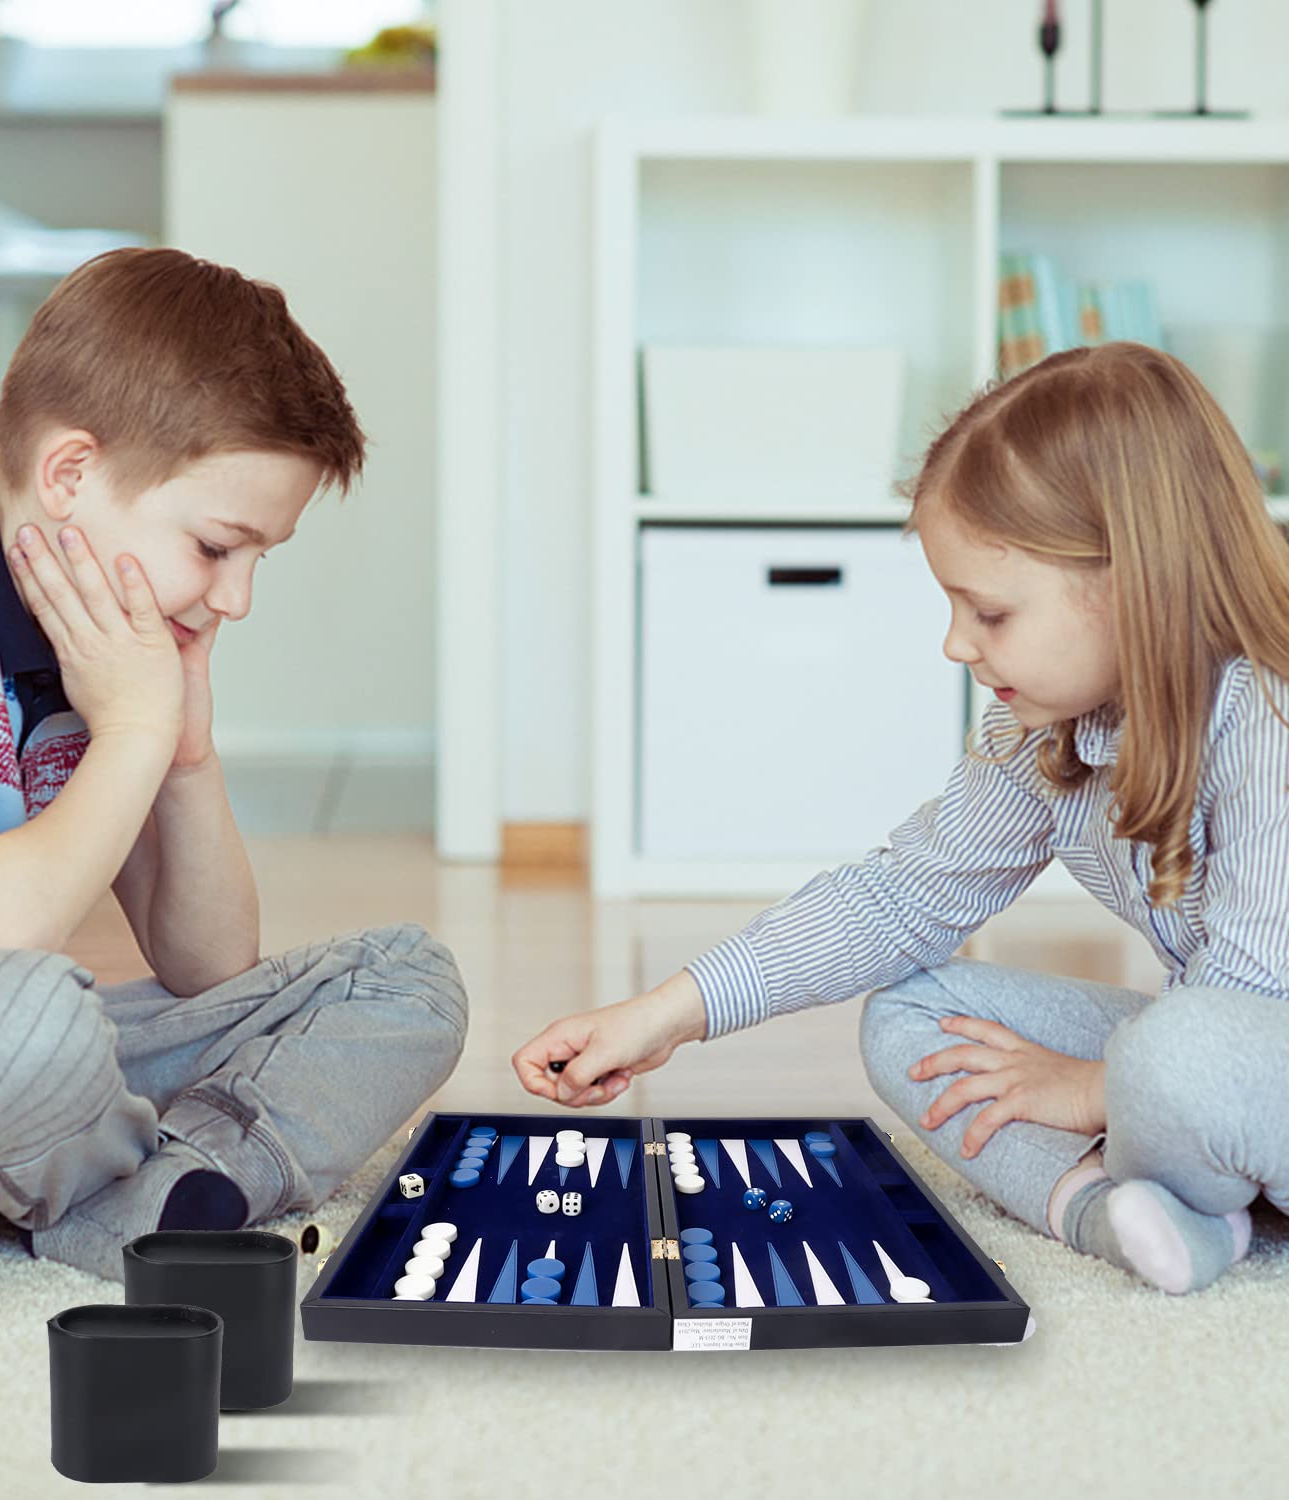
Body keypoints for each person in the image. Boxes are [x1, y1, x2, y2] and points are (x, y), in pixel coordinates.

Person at [514, 340, 1289, 1295]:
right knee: (914, 1014)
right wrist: (668, 1015)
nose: (956, 644)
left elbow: (1248, 999)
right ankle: (1123, 1213)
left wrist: (1084, 1086)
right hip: (1214, 1079)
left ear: (1134, 581)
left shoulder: (1269, 712)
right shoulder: (1042, 730)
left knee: (1181, 1054)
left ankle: (1184, 1165)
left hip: (1244, 1047)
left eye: (991, 613)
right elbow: (897, 900)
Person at [0, 247, 467, 1281]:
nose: (235, 599)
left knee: (407, 982)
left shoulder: (104, 648)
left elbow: (210, 973)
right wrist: (137, 732)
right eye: (216, 546)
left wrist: (186, 759)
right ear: (70, 475)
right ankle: (142, 1186)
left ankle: (154, 1188)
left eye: (256, 562)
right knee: (28, 1018)